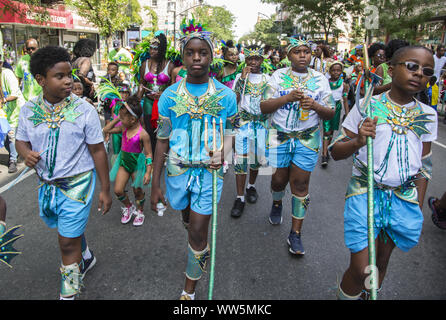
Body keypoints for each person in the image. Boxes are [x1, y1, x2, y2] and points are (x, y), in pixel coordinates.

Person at [330, 45, 437, 300]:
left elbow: (424, 166)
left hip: (402, 199)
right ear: (391, 70)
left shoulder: (428, 115)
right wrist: (357, 142)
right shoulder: (368, 106)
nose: (419, 73)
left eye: (427, 71)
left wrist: (416, 205)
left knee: (380, 263)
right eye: (411, 66)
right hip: (364, 193)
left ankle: (368, 295)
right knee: (361, 269)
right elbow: (335, 151)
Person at [15, 46, 112, 300]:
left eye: (70, 74)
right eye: (60, 76)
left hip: (78, 185)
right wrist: (25, 153)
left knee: (66, 242)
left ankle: (68, 295)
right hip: (47, 186)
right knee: (67, 230)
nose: (69, 80)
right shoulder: (28, 111)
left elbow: (98, 151)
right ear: (40, 80)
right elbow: (20, 140)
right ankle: (87, 257)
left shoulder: (85, 110)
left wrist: (105, 188)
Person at [150, 30, 237, 300]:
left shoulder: (226, 96)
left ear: (212, 57)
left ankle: (189, 290)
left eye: (203, 53)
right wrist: (156, 183)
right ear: (183, 58)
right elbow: (162, 141)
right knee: (187, 219)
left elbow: (230, 134)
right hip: (178, 171)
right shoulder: (168, 97)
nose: (197, 58)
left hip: (210, 174)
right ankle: (195, 245)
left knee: (199, 232)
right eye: (191, 53)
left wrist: (223, 155)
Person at [260, 37, 335, 255]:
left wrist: (315, 106)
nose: (303, 55)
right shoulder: (277, 76)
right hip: (278, 136)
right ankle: (276, 203)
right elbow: (264, 107)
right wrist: (287, 98)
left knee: (300, 185)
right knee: (278, 179)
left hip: (307, 138)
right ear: (288, 55)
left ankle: (295, 234)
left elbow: (330, 112)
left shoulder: (321, 79)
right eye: (297, 52)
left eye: (306, 51)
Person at [230, 42, 270, 217]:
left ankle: (251, 186)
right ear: (245, 59)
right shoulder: (239, 77)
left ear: (261, 59)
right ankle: (239, 198)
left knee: (255, 160)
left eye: (256, 58)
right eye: (250, 59)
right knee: (240, 161)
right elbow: (234, 101)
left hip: (261, 125)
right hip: (243, 124)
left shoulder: (268, 79)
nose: (253, 62)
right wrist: (243, 80)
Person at [103, 95, 152, 226]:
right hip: (124, 163)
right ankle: (129, 206)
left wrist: (148, 172)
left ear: (132, 119)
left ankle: (140, 211)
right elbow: (106, 129)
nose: (120, 119)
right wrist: (118, 117)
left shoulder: (143, 134)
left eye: (123, 117)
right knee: (118, 190)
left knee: (137, 191)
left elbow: (148, 154)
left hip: (137, 164)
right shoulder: (123, 128)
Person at [136, 34, 174, 153]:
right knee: (149, 130)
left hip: (163, 104)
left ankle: (163, 155)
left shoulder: (170, 65)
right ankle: (151, 156)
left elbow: (173, 88)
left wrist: (163, 94)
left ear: (162, 49)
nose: (152, 51)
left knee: (163, 131)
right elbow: (141, 84)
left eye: (156, 48)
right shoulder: (144, 64)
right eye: (151, 48)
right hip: (148, 103)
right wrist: (136, 102)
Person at [321, 61, 350, 167]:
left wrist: (347, 114)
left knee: (332, 131)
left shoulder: (344, 84)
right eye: (333, 70)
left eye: (338, 70)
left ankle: (326, 150)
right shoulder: (325, 82)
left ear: (341, 72)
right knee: (326, 132)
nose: (336, 72)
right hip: (327, 107)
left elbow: (345, 100)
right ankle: (324, 155)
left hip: (337, 108)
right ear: (330, 71)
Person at [1, 55, 26, 173]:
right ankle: (17, 153)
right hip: (4, 112)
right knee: (5, 138)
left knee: (11, 136)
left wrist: (4, 100)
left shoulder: (7, 74)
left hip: (15, 110)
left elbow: (15, 94)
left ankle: (12, 161)